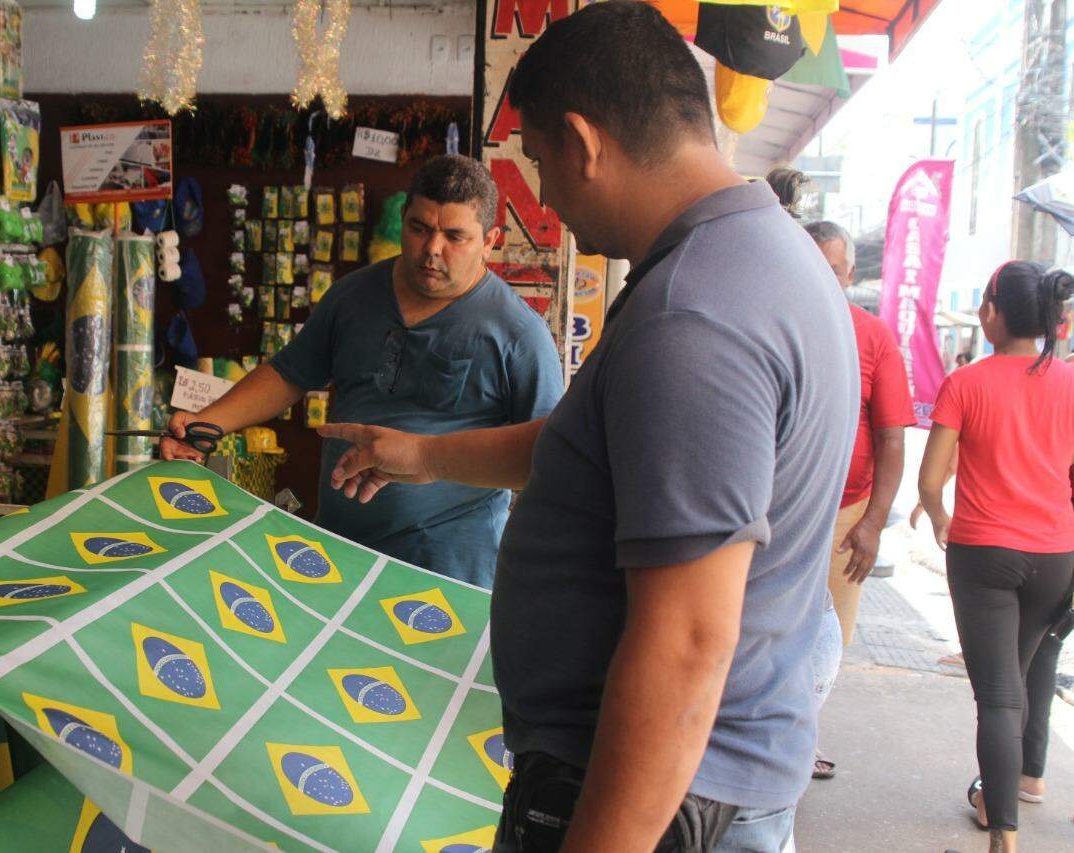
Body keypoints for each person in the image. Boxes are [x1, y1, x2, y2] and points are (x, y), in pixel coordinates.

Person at [318, 3, 858, 849]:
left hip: (656, 795)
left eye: (535, 159)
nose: (542, 193)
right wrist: (423, 453)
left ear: (581, 140)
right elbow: (609, 451)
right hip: (708, 784)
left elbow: (686, 638)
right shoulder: (764, 259)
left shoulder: (695, 318)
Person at [160, 155, 563, 587]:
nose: (432, 249)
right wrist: (208, 423)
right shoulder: (352, 296)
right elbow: (289, 373)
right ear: (403, 218)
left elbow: (551, 461)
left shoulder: (520, 334)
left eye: (455, 236)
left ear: (490, 241)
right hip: (336, 552)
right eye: (420, 228)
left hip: (446, 572)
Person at [917, 260, 1074, 853]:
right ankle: (997, 796)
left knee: (1000, 696)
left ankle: (1003, 835)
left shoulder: (966, 383)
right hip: (1056, 556)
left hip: (983, 553)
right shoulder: (1071, 382)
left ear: (995, 313)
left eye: (986, 301)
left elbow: (931, 481)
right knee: (1017, 682)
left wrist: (938, 518)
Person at [803, 220, 916, 779]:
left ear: (849, 274)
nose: (822, 280)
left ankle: (800, 741)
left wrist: (872, 523)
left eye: (833, 270)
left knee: (829, 641)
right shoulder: (777, 318)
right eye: (812, 266)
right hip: (778, 509)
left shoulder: (874, 337)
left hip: (846, 513)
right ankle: (775, 743)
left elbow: (893, 437)